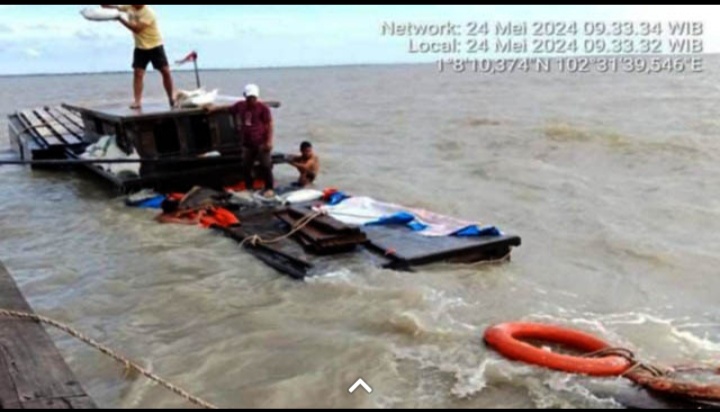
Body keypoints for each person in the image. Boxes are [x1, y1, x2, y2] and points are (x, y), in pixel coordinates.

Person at [101, 5, 175, 109]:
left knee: (165, 71)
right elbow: (115, 7)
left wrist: (119, 19)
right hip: (140, 47)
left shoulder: (149, 13)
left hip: (155, 45)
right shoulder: (129, 7)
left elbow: (136, 29)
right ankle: (137, 101)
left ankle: (171, 98)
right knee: (138, 73)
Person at [208, 84, 275, 198]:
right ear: (245, 97)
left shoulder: (263, 108)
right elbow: (227, 109)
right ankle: (249, 187)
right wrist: (214, 108)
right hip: (247, 143)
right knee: (246, 166)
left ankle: (269, 188)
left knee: (265, 165)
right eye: (249, 98)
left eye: (253, 98)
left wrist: (269, 141)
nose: (251, 101)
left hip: (260, 142)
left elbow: (269, 124)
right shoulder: (240, 106)